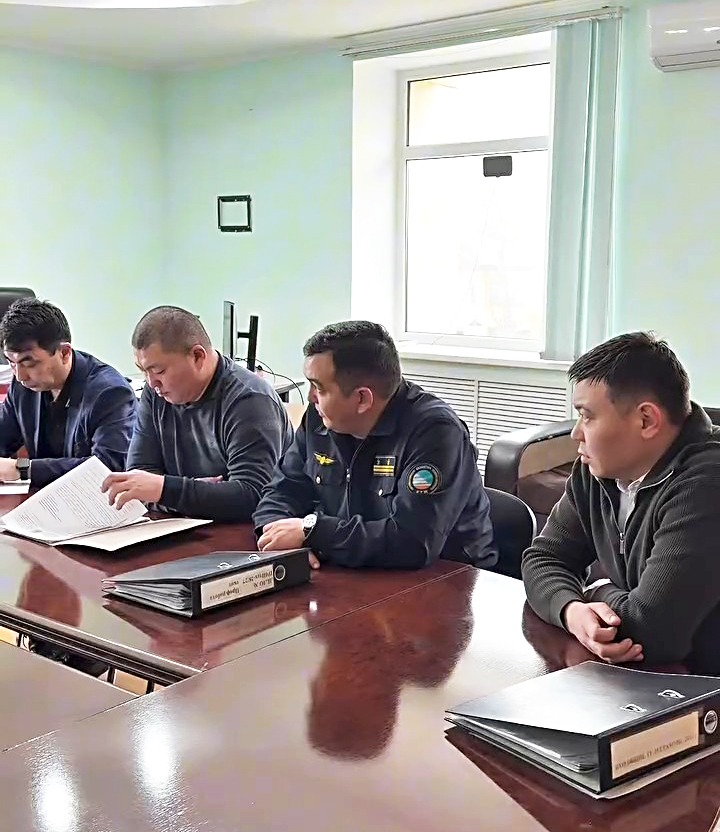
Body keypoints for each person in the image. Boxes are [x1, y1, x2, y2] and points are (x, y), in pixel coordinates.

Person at [522, 332, 720, 674]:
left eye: (587, 416)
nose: (576, 434)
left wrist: (597, 590)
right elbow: (543, 558)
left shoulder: (707, 483)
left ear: (646, 420)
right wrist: (572, 610)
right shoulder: (598, 470)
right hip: (650, 680)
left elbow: (652, 632)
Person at [253, 320, 497, 569]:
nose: (310, 397)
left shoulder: (436, 433)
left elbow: (412, 543)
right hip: (351, 569)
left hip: (447, 579)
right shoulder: (320, 418)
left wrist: (314, 531)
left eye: (319, 388)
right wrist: (281, 541)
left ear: (362, 399)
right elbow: (280, 492)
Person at [102, 305, 292, 522]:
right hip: (181, 526)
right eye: (143, 371)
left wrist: (166, 490)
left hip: (247, 533)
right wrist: (195, 494)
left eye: (159, 371)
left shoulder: (251, 401)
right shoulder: (155, 393)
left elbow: (252, 496)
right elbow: (139, 478)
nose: (151, 382)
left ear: (198, 356)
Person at [0, 298, 136, 488]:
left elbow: (106, 467)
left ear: (64, 353)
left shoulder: (111, 393)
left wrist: (24, 469)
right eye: (11, 362)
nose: (20, 375)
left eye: (29, 363)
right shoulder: (23, 385)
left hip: (89, 500)